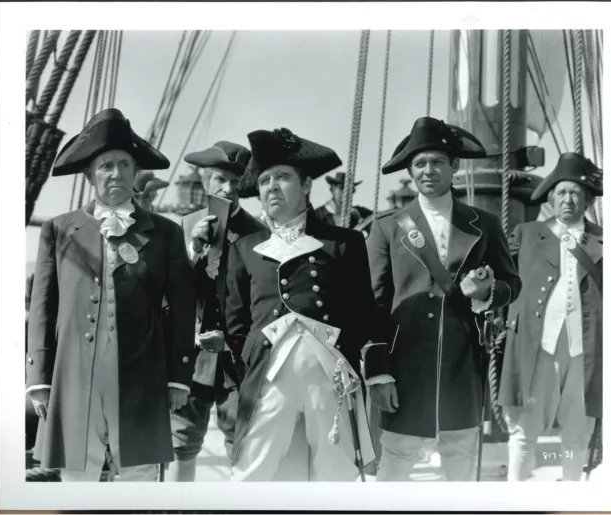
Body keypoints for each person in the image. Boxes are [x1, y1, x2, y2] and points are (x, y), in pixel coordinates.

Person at [26, 108, 196, 482]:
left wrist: (179, 378)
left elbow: (183, 308)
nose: (116, 173)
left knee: (139, 475)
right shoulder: (58, 230)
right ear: (90, 175)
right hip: (73, 373)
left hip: (142, 375)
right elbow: (42, 306)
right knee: (76, 475)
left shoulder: (165, 233)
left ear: (135, 174)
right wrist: (39, 378)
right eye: (106, 166)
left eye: (124, 164)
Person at [364, 116, 522, 481]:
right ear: (410, 170)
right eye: (420, 163)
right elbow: (373, 303)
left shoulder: (485, 223)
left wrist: (486, 292)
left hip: (462, 362)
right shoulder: (387, 226)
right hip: (404, 365)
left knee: (461, 454)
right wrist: (379, 373)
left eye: (437, 161)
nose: (428, 170)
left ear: (454, 166)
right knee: (397, 456)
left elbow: (512, 284)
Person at [225, 127, 376, 481]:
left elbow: (363, 313)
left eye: (282, 177)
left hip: (330, 375)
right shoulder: (245, 249)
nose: (272, 186)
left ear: (306, 186)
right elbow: (235, 326)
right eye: (264, 180)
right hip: (267, 375)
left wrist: (345, 358)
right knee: (252, 469)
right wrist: (250, 365)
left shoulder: (344, 243)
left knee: (335, 471)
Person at [498, 152, 603, 481]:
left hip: (585, 351)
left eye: (575, 193)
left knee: (576, 433)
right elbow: (502, 281)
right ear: (550, 198)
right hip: (535, 348)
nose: (567, 199)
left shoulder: (608, 239)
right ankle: (516, 500)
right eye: (561, 192)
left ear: (586, 200)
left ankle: (571, 494)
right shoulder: (526, 234)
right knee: (524, 432)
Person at [167, 141, 266, 481]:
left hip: (236, 360)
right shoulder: (182, 228)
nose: (228, 189)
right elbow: (168, 294)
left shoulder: (260, 234)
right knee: (182, 441)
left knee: (239, 438)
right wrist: (192, 249)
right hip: (190, 358)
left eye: (237, 182)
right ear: (205, 182)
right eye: (220, 180)